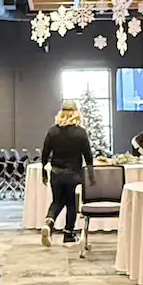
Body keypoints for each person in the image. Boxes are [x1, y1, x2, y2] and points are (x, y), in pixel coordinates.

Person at [40, 102, 94, 246]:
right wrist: (91, 175)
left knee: (57, 201)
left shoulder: (53, 131)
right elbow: (88, 155)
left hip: (56, 173)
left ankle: (49, 223)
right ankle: (68, 234)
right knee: (71, 203)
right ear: (76, 113)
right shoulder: (80, 132)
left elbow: (45, 153)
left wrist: (43, 173)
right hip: (73, 174)